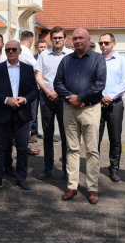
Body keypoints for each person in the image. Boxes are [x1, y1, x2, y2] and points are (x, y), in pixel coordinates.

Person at [53, 28, 106, 204]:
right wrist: (72, 99)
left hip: (90, 109)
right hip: (69, 109)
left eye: (81, 38)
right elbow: (57, 83)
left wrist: (80, 97)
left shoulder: (98, 59)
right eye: (74, 38)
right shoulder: (66, 60)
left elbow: (99, 84)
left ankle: (92, 188)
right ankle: (72, 186)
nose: (77, 41)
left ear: (88, 40)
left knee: (92, 150)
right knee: (72, 149)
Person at [0, 40, 37, 191]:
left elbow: (34, 91)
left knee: (22, 148)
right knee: (0, 147)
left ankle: (21, 179)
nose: (11, 52)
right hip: (3, 113)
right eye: (8, 49)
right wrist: (5, 99)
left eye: (14, 49)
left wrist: (25, 99)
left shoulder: (28, 69)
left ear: (20, 51)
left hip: (22, 114)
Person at [35, 27, 72, 180]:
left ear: (65, 39)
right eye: (54, 38)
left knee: (66, 135)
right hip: (46, 98)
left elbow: (71, 79)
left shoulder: (71, 55)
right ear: (51, 39)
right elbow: (38, 76)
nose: (57, 40)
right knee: (48, 134)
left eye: (60, 37)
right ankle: (48, 167)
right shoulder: (43, 55)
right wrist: (48, 91)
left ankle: (66, 169)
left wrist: (59, 92)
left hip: (63, 99)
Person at [98, 33, 125, 182]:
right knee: (94, 138)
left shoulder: (122, 60)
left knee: (115, 138)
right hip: (97, 104)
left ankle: (114, 169)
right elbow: (91, 81)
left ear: (113, 44)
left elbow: (124, 82)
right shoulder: (95, 60)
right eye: (101, 43)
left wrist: (109, 97)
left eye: (106, 42)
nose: (103, 45)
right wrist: (101, 96)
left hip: (115, 103)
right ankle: (93, 168)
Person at [17, 30, 41, 154]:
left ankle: (22, 144)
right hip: (28, 89)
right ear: (30, 40)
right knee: (30, 117)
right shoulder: (25, 51)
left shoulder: (17, 48)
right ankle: (24, 145)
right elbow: (37, 68)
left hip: (19, 88)